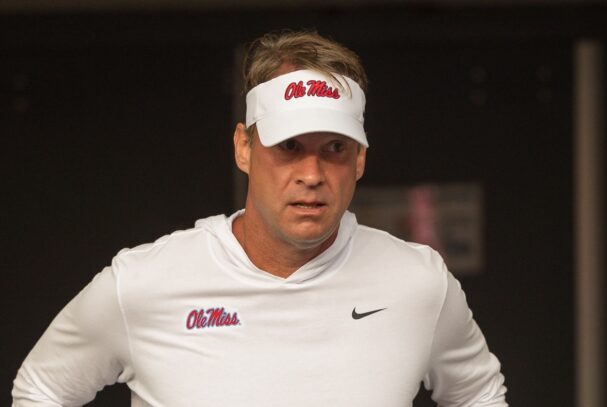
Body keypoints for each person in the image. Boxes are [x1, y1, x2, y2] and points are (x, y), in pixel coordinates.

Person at [13, 30, 507, 406]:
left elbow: (480, 396)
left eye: (334, 148)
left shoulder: (419, 283)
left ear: (360, 159)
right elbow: (41, 390)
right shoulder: (142, 283)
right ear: (244, 148)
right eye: (288, 146)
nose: (311, 174)